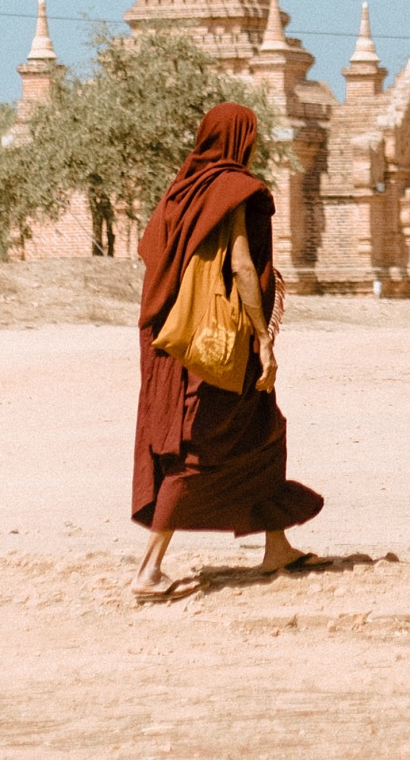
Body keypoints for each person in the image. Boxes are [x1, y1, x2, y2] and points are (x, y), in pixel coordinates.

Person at [130, 102, 324, 597]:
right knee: (197, 450)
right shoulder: (234, 189)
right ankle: (148, 568)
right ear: (241, 140)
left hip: (172, 340)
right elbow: (240, 265)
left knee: (262, 430)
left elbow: (152, 255)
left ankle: (276, 547)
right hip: (216, 345)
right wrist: (263, 338)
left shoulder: (180, 192)